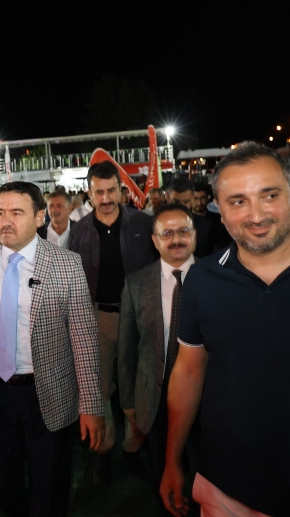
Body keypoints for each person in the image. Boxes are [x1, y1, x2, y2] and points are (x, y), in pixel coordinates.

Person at [160, 142, 290, 516]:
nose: (256, 215)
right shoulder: (201, 279)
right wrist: (171, 459)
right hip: (226, 492)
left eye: (269, 195)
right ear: (218, 209)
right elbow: (189, 371)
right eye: (238, 201)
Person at [0, 181, 104, 516]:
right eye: (0, 212)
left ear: (39, 217)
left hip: (48, 392)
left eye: (17, 213)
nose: (6, 221)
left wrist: (91, 404)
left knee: (49, 490)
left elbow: (84, 338)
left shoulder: (66, 264)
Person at [68, 161, 156, 484]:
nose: (105, 199)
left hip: (138, 318)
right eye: (99, 192)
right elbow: (73, 280)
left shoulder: (143, 223)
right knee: (100, 388)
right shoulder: (79, 231)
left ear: (121, 190)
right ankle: (103, 450)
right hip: (97, 317)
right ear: (89, 194)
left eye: (111, 191)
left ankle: (132, 448)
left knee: (136, 386)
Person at [118, 202, 198, 511]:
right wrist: (128, 401)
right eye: (167, 233)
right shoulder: (136, 284)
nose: (176, 239)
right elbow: (127, 349)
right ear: (154, 240)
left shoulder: (217, 278)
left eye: (183, 231)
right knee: (162, 478)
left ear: (194, 235)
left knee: (203, 477)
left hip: (207, 400)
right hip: (155, 399)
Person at [168, 178, 215, 258]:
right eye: (176, 202)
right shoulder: (153, 224)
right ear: (167, 197)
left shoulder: (206, 226)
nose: (181, 206)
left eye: (186, 202)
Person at [192, 182, 231, 251]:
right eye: (195, 199)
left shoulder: (219, 220)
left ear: (208, 198)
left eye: (202, 198)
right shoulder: (185, 221)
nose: (199, 203)